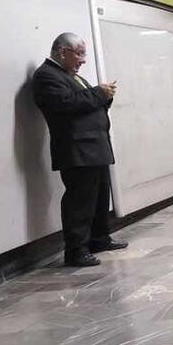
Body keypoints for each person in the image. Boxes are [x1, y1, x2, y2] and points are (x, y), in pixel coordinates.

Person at [32, 33, 127, 267]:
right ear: (62, 52)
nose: (83, 60)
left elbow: (88, 103)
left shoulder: (72, 76)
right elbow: (66, 105)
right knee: (80, 201)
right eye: (79, 54)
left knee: (99, 197)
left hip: (94, 147)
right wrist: (98, 93)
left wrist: (105, 96)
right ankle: (76, 251)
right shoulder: (46, 76)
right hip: (76, 150)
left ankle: (98, 238)